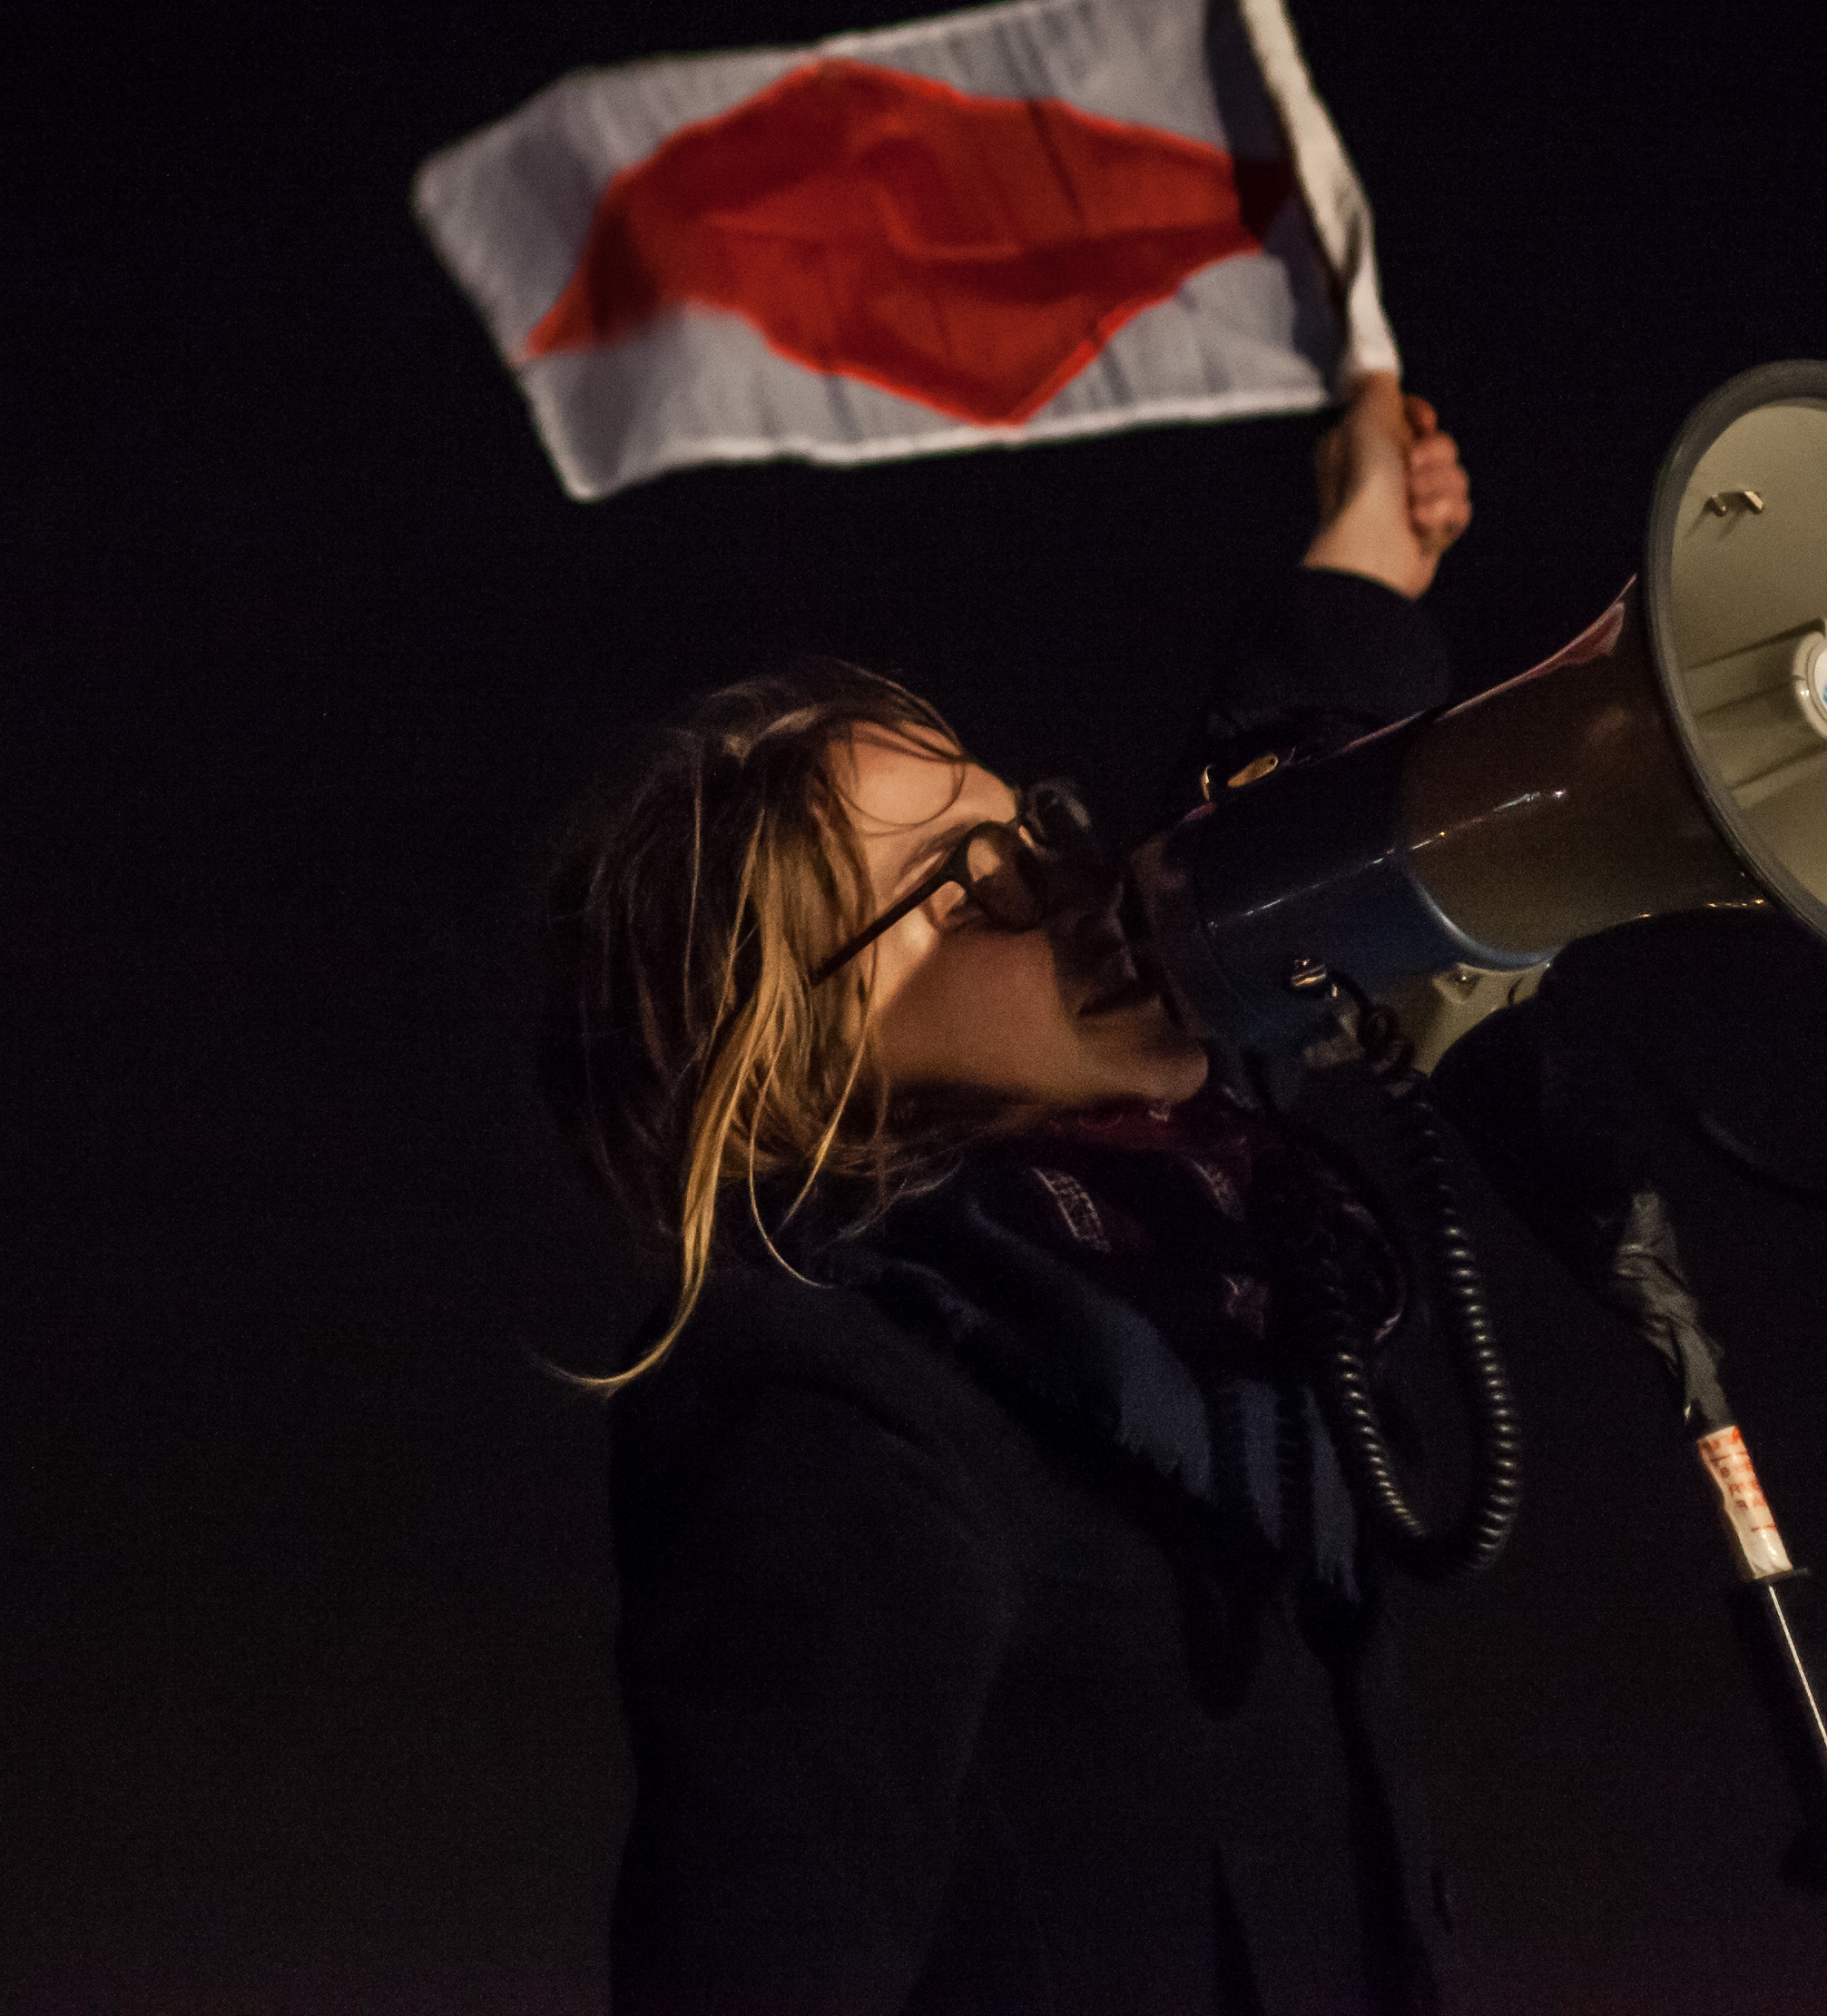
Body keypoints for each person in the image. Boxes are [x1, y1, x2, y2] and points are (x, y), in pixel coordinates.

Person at [537, 373, 1482, 2016]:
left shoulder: (1184, 1239)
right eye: (962, 891)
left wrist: (1359, 551)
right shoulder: (845, 1404)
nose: (1079, 887)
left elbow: (1260, 786)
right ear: (802, 1063)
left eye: (1028, 824)